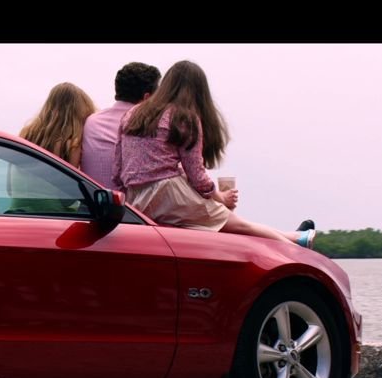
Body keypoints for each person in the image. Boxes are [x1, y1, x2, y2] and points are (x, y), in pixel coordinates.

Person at [113, 60, 315, 247]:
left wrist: (125, 197)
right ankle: (298, 249)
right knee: (237, 225)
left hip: (136, 196)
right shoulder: (184, 117)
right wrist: (220, 197)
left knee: (233, 223)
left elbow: (118, 166)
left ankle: (296, 237)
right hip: (169, 195)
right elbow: (197, 175)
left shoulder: (133, 114)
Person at [11, 82, 98, 214]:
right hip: (52, 216)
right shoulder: (71, 145)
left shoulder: (25, 134)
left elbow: (9, 189)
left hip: (17, 211)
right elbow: (67, 197)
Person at [80, 62, 160, 188]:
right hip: (127, 206)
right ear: (147, 97)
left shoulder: (91, 122)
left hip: (92, 200)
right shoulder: (146, 127)